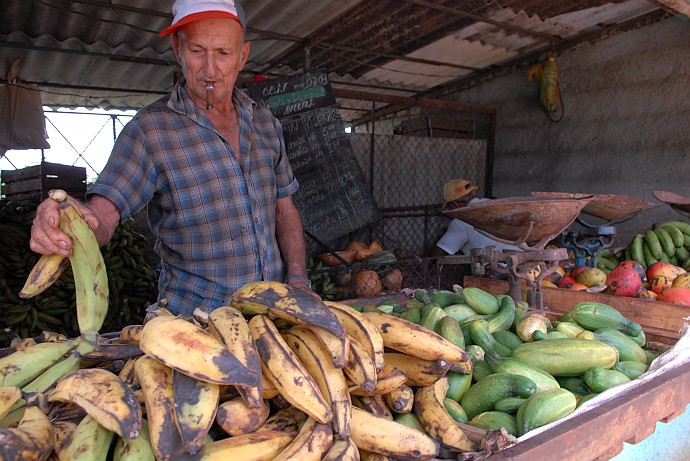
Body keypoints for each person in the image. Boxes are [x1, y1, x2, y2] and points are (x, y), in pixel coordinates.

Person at [29, 0, 314, 315]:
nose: (210, 70)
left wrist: (298, 278)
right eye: (196, 51)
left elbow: (284, 210)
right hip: (192, 326)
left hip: (271, 312)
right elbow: (104, 214)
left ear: (242, 55)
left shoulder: (264, 123)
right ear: (178, 49)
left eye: (223, 53)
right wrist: (72, 220)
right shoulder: (150, 131)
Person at [432, 179, 521, 257]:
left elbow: (441, 251)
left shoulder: (461, 221)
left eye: (449, 207)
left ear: (455, 204)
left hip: (499, 266)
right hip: (523, 257)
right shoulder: (491, 203)